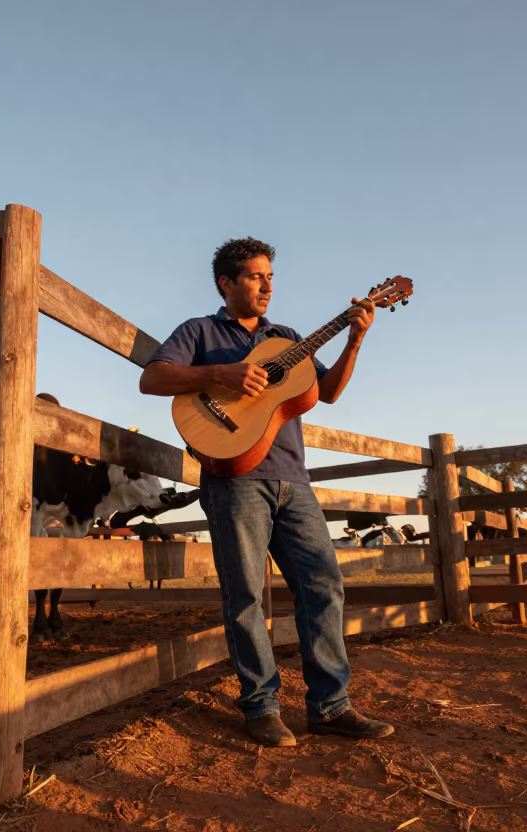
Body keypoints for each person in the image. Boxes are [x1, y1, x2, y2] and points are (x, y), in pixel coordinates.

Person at [138, 237, 394, 747]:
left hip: (294, 481)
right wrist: (219, 372)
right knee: (246, 597)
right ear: (226, 283)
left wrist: (356, 340)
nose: (267, 286)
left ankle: (329, 706)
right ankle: (261, 706)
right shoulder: (200, 331)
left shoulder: (288, 338)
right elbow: (153, 378)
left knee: (324, 586)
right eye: (255, 277)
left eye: (271, 277)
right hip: (234, 479)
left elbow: (329, 393)